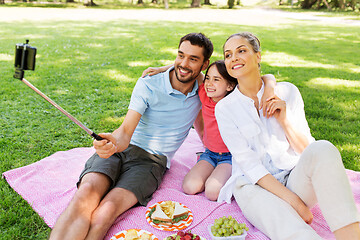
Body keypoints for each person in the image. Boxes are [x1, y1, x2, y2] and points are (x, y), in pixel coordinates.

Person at [49, 32, 212, 240]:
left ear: (204, 64)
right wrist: (112, 144)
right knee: (85, 195)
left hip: (151, 162)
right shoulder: (148, 84)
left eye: (193, 59)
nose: (184, 63)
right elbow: (126, 131)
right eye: (180, 55)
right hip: (122, 148)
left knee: (107, 209)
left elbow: (236, 74)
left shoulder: (205, 89)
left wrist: (270, 81)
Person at [215, 32, 360, 240]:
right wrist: (294, 202)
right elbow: (249, 165)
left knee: (324, 147)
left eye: (241, 51)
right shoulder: (225, 109)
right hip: (253, 186)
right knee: (286, 224)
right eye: (228, 55)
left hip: (293, 177)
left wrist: (284, 121)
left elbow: (306, 150)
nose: (233, 58)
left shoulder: (287, 91)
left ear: (258, 56)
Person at [143, 61, 276, 201]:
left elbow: (266, 77)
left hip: (230, 157)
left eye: (216, 79)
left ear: (230, 85)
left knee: (212, 192)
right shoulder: (205, 95)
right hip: (210, 153)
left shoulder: (235, 101)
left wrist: (270, 88)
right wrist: (161, 69)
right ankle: (211, 170)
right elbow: (190, 68)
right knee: (189, 187)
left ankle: (234, 176)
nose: (209, 83)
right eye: (208, 78)